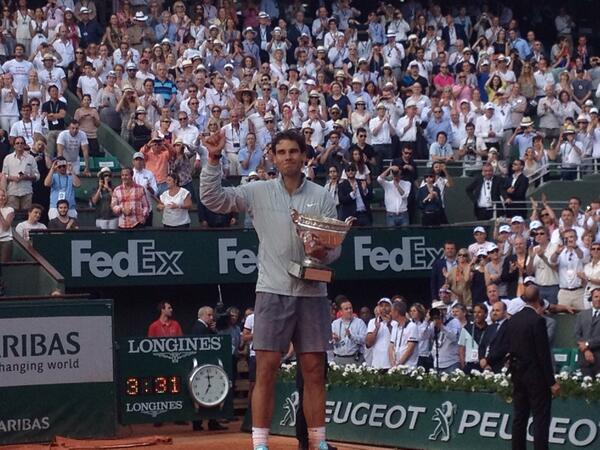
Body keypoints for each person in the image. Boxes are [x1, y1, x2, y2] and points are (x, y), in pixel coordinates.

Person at [200, 130, 340, 450]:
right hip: (272, 290)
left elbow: (334, 250)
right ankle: (260, 444)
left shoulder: (322, 195)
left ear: (304, 156)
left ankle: (318, 443)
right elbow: (214, 199)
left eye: (294, 151)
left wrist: (323, 251)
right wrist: (212, 159)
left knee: (314, 371)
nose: (288, 157)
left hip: (312, 292)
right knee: (266, 370)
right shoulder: (258, 191)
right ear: (273, 157)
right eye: (282, 152)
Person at [507, 285, 559, 450]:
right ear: (538, 300)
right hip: (536, 377)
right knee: (540, 418)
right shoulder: (538, 321)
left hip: (517, 374)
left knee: (519, 417)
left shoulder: (513, 319)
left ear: (524, 298)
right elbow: (542, 354)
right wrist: (552, 382)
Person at [190, 306, 227, 432]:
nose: (212, 317)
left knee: (211, 394)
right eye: (209, 315)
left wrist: (213, 330)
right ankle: (201, 423)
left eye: (212, 315)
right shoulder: (199, 328)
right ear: (201, 315)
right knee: (200, 394)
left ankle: (211, 421)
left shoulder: (205, 328)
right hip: (203, 366)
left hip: (208, 367)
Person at [2, 136, 40, 210]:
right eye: (17, 143)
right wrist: (12, 178)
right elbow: (4, 175)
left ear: (25, 145)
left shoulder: (31, 158)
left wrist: (27, 177)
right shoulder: (8, 158)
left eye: (22, 143)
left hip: (26, 191)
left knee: (26, 216)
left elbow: (37, 175)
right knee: (12, 216)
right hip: (12, 192)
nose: (19, 145)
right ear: (14, 145)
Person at [331, 297, 367, 366]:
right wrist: (333, 339)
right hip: (338, 358)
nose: (349, 310)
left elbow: (364, 340)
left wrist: (351, 336)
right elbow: (329, 341)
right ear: (340, 312)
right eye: (346, 309)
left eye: (350, 308)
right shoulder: (335, 323)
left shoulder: (359, 322)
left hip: (355, 358)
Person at [575, 288, 600, 376]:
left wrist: (587, 344)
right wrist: (586, 350)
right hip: (584, 359)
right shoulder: (581, 315)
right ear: (591, 299)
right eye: (596, 297)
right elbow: (577, 335)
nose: (598, 299)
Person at [478, 301, 509, 373]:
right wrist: (482, 359)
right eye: (493, 310)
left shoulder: (509, 326)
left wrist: (487, 360)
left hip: (499, 366)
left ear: (504, 312)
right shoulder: (490, 327)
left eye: (497, 310)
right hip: (485, 367)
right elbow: (482, 345)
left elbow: (503, 348)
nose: (494, 313)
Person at [365, 297, 395, 370]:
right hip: (377, 364)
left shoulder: (395, 322)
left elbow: (397, 341)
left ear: (391, 308)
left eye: (386, 306)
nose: (383, 308)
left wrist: (389, 325)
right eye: (381, 306)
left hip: (392, 364)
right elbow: (368, 343)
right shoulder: (372, 322)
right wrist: (376, 328)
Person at [458, 303, 488, 374]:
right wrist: (463, 365)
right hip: (469, 365)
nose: (476, 315)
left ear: (486, 314)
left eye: (479, 312)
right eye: (475, 312)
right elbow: (461, 348)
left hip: (484, 365)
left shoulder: (490, 329)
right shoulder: (466, 328)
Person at [388, 301, 419, 368]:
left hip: (408, 367)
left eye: (391, 311)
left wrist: (399, 364)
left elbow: (410, 349)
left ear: (396, 312)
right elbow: (391, 346)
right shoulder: (395, 326)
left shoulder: (412, 326)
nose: (390, 313)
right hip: (395, 367)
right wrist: (393, 364)